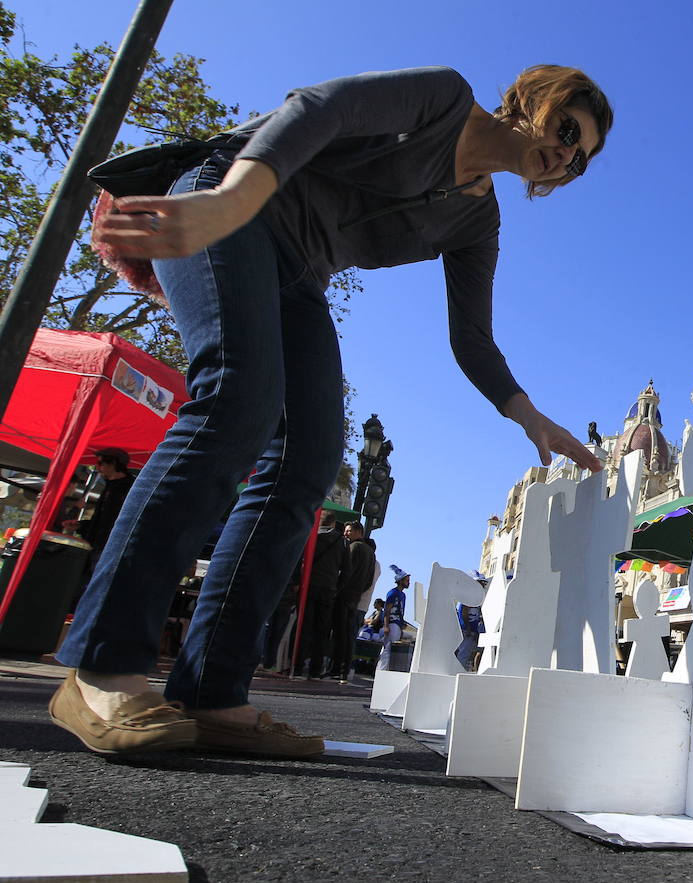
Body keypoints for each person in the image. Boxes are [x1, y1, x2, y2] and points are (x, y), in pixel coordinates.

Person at [49, 64, 612, 759]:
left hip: (299, 273)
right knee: (236, 399)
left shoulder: (477, 219)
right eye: (565, 130)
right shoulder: (441, 99)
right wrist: (229, 201)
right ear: (531, 100)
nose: (566, 154)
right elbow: (318, 109)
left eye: (581, 157)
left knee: (308, 461)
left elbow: (472, 337)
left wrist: (530, 416)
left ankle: (214, 692)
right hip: (228, 204)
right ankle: (102, 664)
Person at [325, 521, 375, 683]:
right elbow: (368, 580)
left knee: (338, 634)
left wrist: (338, 589)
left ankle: (336, 668)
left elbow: (346, 572)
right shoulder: (370, 553)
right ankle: (343, 670)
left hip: (344, 595)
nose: (345, 534)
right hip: (355, 598)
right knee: (347, 635)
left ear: (358, 531)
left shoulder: (354, 548)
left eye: (348, 531)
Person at [304, 511, 347, 680]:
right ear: (334, 523)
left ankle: (298, 664)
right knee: (321, 630)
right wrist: (337, 587)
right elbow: (346, 570)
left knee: (304, 625)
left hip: (310, 585)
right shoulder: (341, 542)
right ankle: (315, 669)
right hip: (328, 588)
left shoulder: (312, 536)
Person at [77, 447, 135, 558]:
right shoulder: (110, 486)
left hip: (109, 550)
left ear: (113, 463)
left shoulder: (130, 489)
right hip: (95, 548)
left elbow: (114, 521)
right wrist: (81, 525)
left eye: (100, 463)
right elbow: (102, 520)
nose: (97, 467)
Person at [454, 572, 489, 671]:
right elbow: (464, 613)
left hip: (474, 630)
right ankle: (457, 672)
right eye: (480, 583)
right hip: (466, 630)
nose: (482, 585)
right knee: (464, 653)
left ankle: (477, 670)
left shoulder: (478, 597)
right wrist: (468, 629)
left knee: (482, 650)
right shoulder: (468, 596)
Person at [377, 566, 410, 672]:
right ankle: (381, 671)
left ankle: (385, 670)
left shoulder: (403, 595)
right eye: (407, 580)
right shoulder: (392, 593)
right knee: (387, 648)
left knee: (392, 648)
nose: (408, 582)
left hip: (397, 625)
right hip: (391, 624)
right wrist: (386, 626)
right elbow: (387, 610)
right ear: (400, 581)